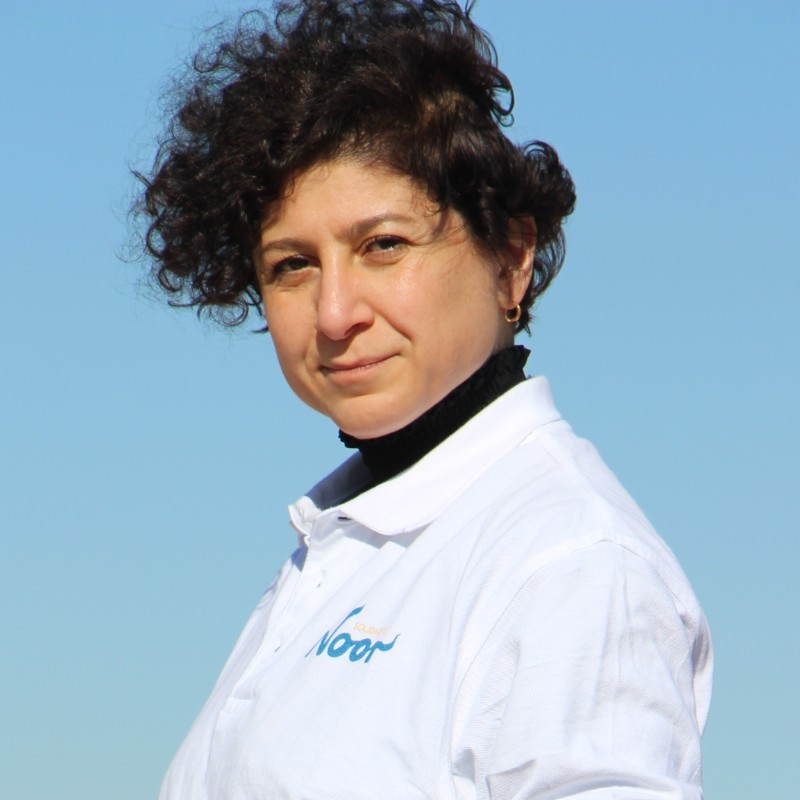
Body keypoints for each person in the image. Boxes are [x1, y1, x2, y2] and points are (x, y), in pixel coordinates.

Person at [136, 1, 712, 798]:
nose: (335, 314)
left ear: (511, 257)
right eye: (292, 265)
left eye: (383, 246)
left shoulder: (571, 562)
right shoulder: (332, 552)